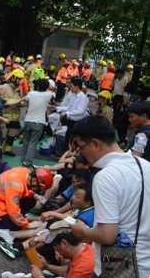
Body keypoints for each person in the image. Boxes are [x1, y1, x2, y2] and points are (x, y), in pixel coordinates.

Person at [69, 116, 150, 278]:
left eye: (80, 146)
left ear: (95, 143)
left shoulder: (106, 176)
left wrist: (82, 230)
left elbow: (107, 235)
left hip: (117, 267)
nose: (80, 153)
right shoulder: (146, 166)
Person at [0, 166, 53, 230]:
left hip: (1, 195)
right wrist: (27, 225)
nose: (38, 191)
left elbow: (25, 189)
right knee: (13, 225)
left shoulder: (26, 172)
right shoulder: (16, 186)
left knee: (31, 200)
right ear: (35, 182)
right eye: (38, 189)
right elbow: (13, 212)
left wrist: (36, 196)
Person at [21, 79, 55, 166]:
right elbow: (53, 90)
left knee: (26, 141)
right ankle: (27, 162)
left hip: (28, 120)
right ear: (47, 87)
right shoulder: (49, 94)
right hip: (39, 122)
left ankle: (22, 158)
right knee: (33, 142)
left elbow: (24, 99)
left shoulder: (31, 93)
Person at [57, 78, 89, 147]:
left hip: (77, 123)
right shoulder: (74, 95)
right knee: (68, 138)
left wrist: (67, 113)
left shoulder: (83, 97)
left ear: (77, 87)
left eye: (72, 86)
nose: (70, 88)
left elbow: (81, 111)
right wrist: (57, 108)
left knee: (72, 141)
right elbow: (69, 107)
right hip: (71, 121)